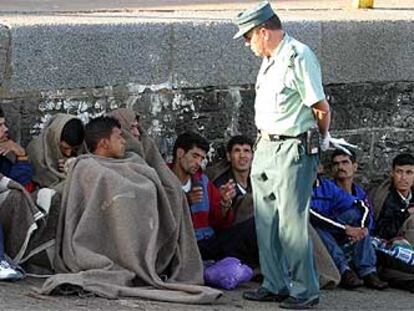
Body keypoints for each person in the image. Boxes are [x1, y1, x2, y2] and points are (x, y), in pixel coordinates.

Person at [40, 116, 221, 303]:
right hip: (107, 242)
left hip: (147, 238)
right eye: (119, 137)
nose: (125, 140)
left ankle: (142, 261)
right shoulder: (87, 166)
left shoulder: (134, 159)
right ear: (104, 143)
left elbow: (156, 183)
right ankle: (128, 262)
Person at [233, 2, 332, 308]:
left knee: (291, 224)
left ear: (264, 31)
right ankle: (274, 282)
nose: (247, 44)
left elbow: (319, 106)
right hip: (266, 144)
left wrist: (322, 137)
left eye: (249, 37)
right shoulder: (270, 58)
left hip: (293, 146)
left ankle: (304, 290)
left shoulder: (298, 56)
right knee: (265, 221)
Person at [170, 132, 257, 266]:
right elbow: (162, 220)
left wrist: (224, 204)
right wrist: (186, 201)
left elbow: (220, 223)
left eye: (201, 158)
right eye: (195, 156)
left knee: (255, 225)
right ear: (180, 153)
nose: (198, 162)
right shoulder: (163, 180)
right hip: (184, 245)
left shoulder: (203, 182)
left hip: (210, 242)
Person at [310, 173, 388, 290]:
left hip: (334, 228)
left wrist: (361, 229)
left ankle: (367, 271)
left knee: (355, 215)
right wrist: (345, 229)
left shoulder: (327, 186)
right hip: (316, 232)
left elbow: (359, 204)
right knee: (316, 228)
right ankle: (344, 270)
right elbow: (310, 215)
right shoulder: (297, 186)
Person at [26, 113, 84, 192]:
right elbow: (47, 184)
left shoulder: (82, 147)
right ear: (54, 139)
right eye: (65, 148)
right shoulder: (37, 152)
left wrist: (76, 165)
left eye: (74, 149)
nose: (68, 153)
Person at [373, 153, 414, 244]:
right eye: (399, 172)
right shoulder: (386, 198)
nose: (403, 178)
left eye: (409, 173)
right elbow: (382, 232)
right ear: (392, 173)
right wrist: (406, 214)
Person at [331, 149, 374, 233]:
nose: (340, 167)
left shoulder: (361, 194)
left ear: (355, 167)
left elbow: (370, 220)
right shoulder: (326, 192)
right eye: (336, 164)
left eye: (345, 162)